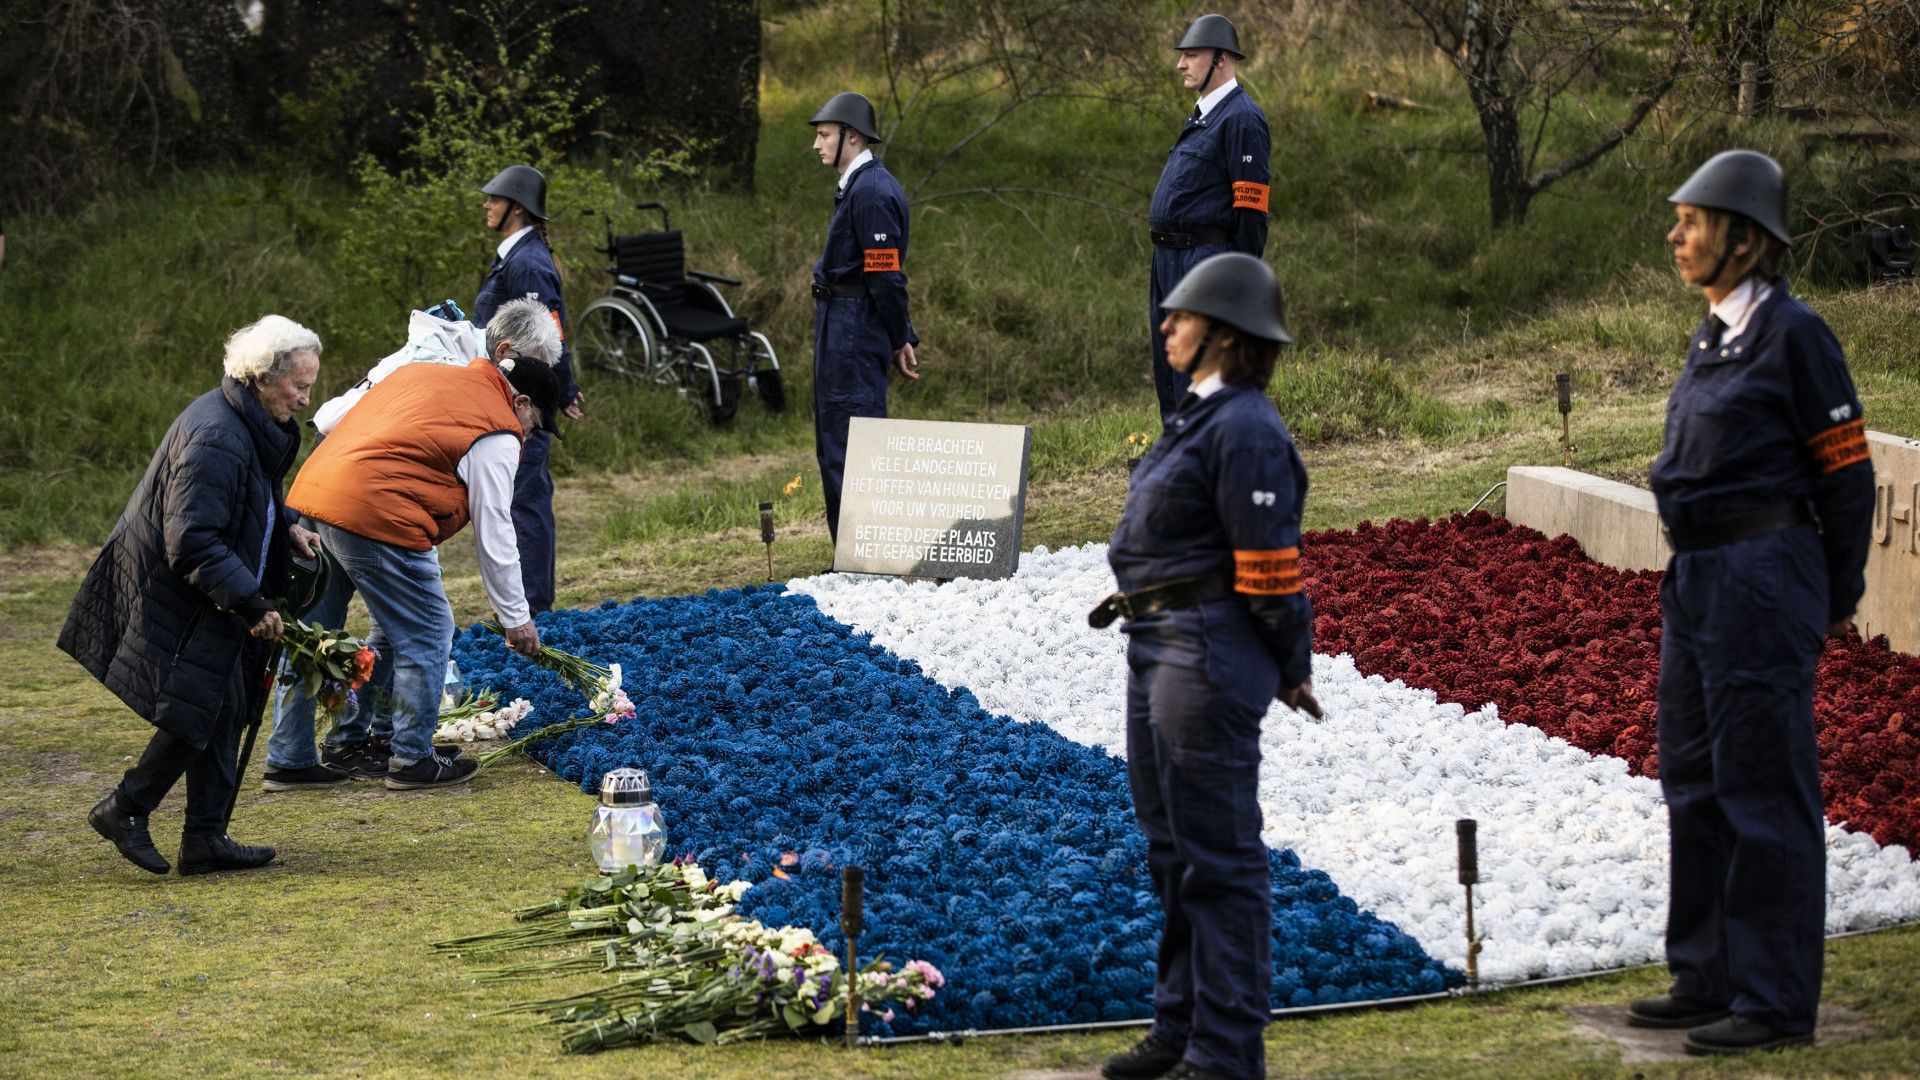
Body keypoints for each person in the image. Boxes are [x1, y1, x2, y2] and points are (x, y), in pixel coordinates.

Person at [1629, 149, 1874, 1056]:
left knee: (1762, 785)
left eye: (1690, 221)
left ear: (1742, 237)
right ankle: (1709, 974)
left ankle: (1772, 1001)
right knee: (1693, 776)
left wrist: (1833, 594)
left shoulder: (1795, 334)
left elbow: (1849, 478)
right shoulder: (1716, 329)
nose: (1675, 235)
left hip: (1762, 575)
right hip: (1697, 578)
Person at [1090, 252, 1319, 1080]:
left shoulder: (1249, 426)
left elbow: (1270, 564)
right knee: (1172, 849)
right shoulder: (1200, 413)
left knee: (1218, 857)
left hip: (1205, 647)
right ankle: (1181, 1028)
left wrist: (1290, 661)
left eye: (1180, 316)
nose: (1166, 325)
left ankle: (1225, 1053)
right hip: (1158, 642)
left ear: (1224, 334)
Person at [261, 299, 563, 788]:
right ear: (523, 402)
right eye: (534, 425)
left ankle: (300, 756)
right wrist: (516, 617)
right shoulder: (498, 429)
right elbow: (495, 528)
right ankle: (411, 758)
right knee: (428, 629)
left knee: (320, 633)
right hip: (375, 511)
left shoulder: (429, 372)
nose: (530, 435)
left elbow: (337, 420)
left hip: (317, 494)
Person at [63, 315, 322, 875]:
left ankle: (204, 839)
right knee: (205, 708)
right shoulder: (216, 437)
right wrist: (253, 602)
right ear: (261, 376)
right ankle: (126, 808)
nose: (305, 398)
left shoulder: (245, 421)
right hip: (183, 589)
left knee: (224, 707)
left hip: (211, 588)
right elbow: (194, 541)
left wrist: (289, 525)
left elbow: (254, 498)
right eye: (299, 386)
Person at [807, 91, 921, 540]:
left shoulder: (872, 191)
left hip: (853, 325)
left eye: (824, 135)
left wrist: (900, 337)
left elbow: (885, 276)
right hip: (840, 319)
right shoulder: (858, 186)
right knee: (835, 436)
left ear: (850, 137)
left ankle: (862, 551)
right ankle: (852, 550)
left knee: (852, 437)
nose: (817, 145)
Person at [1147, 14, 1271, 424]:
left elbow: (1251, 212)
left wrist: (1237, 279)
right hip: (1169, 262)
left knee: (1202, 377)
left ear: (1220, 60)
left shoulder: (1242, 118)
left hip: (1203, 262)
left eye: (1191, 55)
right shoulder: (1203, 114)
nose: (1181, 64)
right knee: (1171, 373)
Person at [474, 163, 582, 615]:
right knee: (517, 494)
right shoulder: (515, 255)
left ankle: (534, 605)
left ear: (516, 209)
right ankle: (524, 602)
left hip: (524, 398)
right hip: (506, 392)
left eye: (494, 200)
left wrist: (562, 389)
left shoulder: (529, 262)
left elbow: (547, 332)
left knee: (526, 495)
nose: (487, 205)